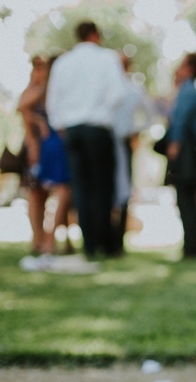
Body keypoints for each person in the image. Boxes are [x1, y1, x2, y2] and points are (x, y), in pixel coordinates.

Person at [46, 21, 127, 259]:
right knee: (102, 186)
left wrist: (61, 124)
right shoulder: (107, 58)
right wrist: (103, 113)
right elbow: (118, 94)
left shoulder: (63, 63)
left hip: (72, 131)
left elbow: (53, 101)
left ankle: (89, 244)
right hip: (97, 128)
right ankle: (105, 243)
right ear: (95, 35)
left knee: (81, 187)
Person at [17, 55, 72, 258]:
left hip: (52, 145)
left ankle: (49, 239)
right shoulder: (38, 89)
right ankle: (40, 240)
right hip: (42, 147)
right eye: (36, 67)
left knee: (60, 190)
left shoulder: (51, 88)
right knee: (38, 192)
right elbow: (21, 107)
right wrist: (38, 126)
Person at [163, 53, 196, 260]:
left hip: (186, 153)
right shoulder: (193, 91)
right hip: (193, 151)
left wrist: (174, 144)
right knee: (189, 200)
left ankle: (191, 248)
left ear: (190, 68)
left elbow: (179, 120)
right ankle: (192, 246)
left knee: (185, 200)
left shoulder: (188, 91)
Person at [111, 52, 149, 256]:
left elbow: (149, 116)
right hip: (106, 143)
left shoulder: (134, 89)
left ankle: (116, 240)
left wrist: (136, 129)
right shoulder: (108, 88)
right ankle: (111, 239)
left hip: (123, 142)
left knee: (123, 188)